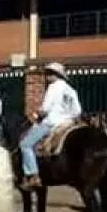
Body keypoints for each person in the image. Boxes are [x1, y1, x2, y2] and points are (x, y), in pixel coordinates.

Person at [19, 62, 82, 190]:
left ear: (56, 75)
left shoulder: (53, 87)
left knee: (25, 145)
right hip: (67, 124)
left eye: (49, 73)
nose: (47, 76)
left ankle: (33, 175)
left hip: (52, 123)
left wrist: (37, 114)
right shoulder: (70, 90)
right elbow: (77, 111)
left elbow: (45, 109)